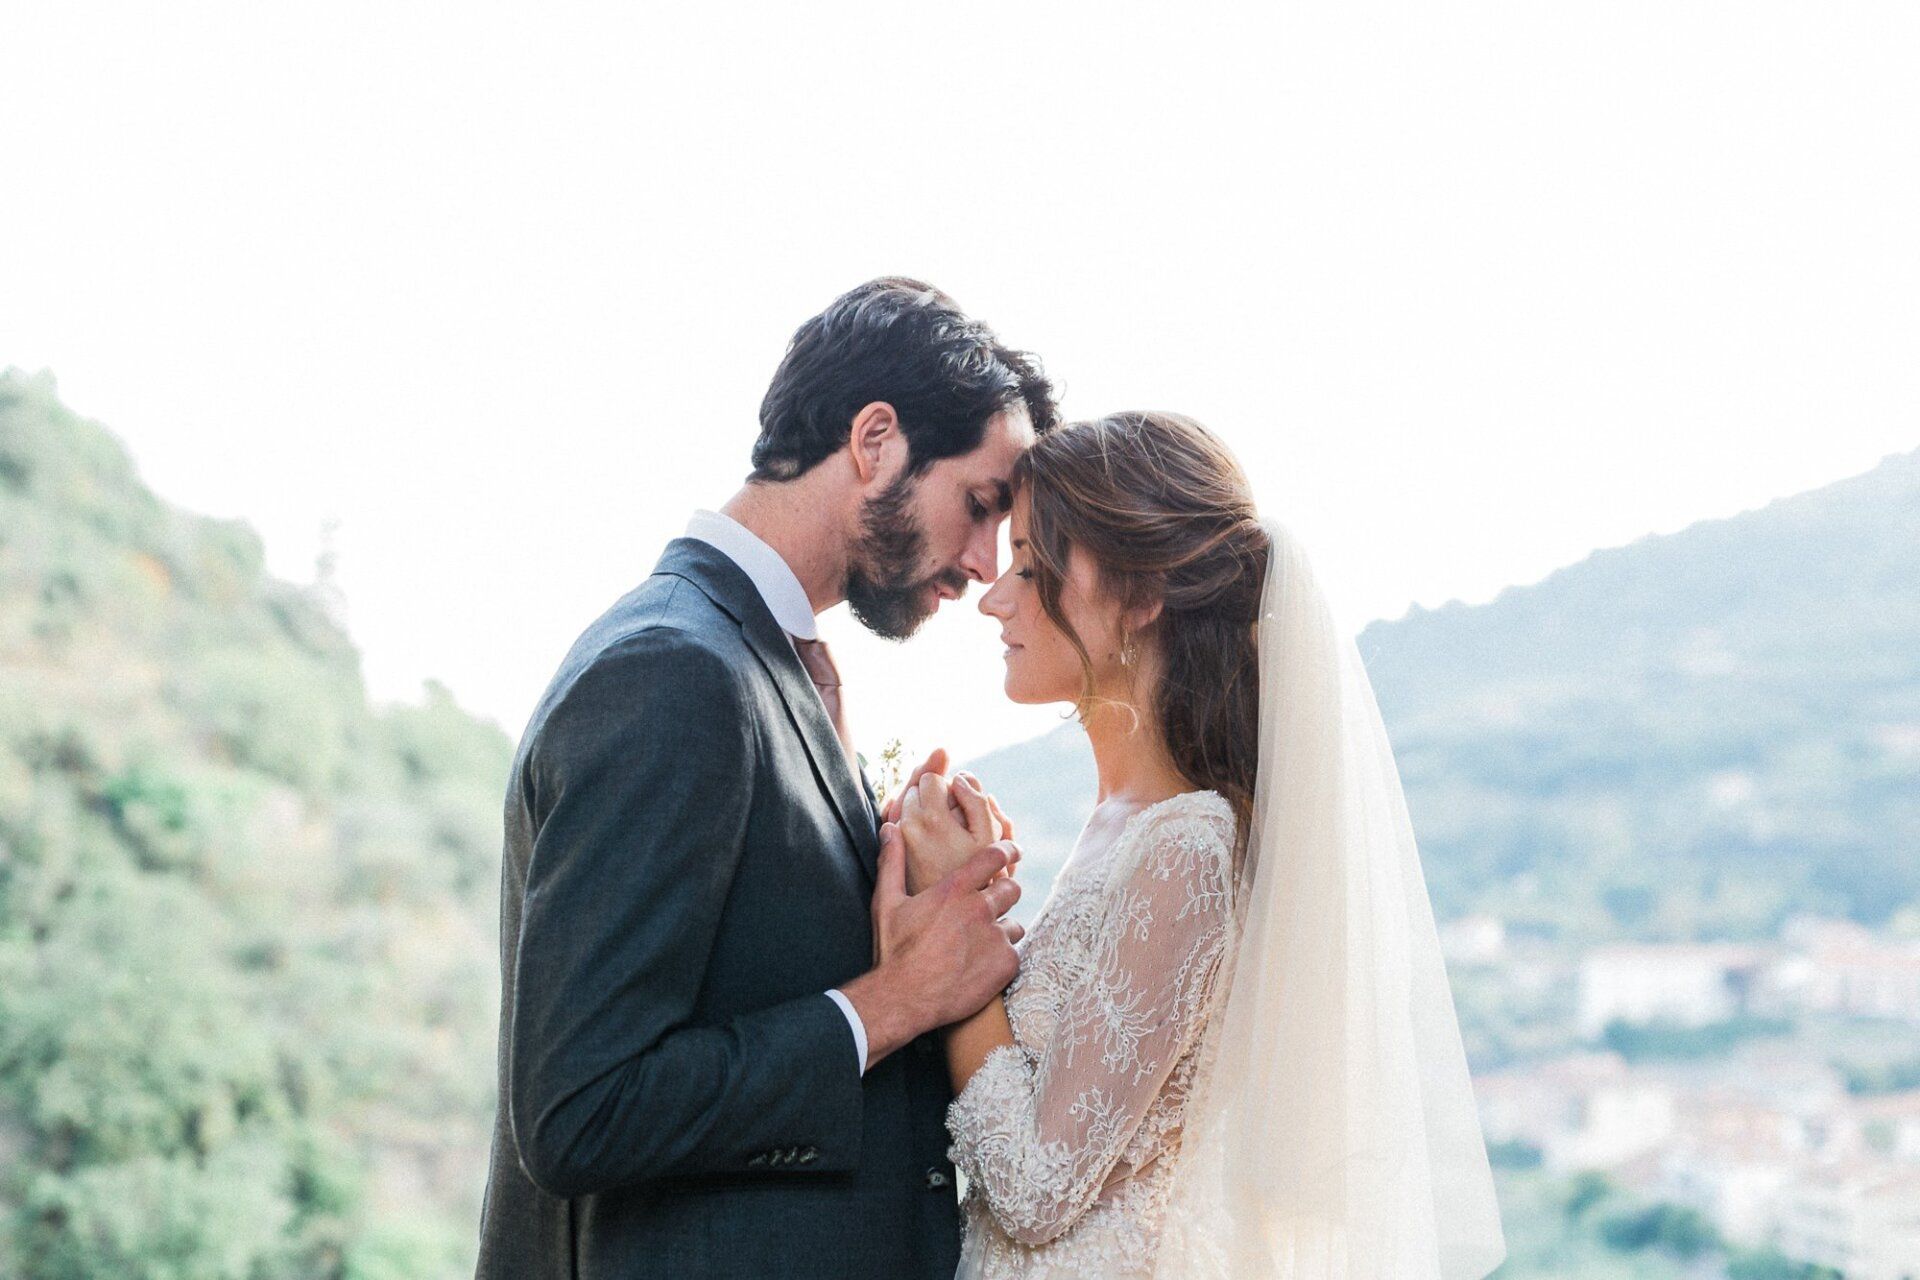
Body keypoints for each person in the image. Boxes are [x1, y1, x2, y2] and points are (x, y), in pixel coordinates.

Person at [475, 277, 1055, 1279]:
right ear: (875, 441)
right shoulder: (673, 671)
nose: (979, 565)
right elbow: (580, 1106)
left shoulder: (755, 664)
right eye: (979, 505)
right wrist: (895, 999)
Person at [892, 411, 1506, 1278]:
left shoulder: (1185, 845)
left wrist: (955, 931)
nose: (995, 595)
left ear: (1142, 598)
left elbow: (1035, 1187)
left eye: (1031, 567)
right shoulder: (1126, 826)